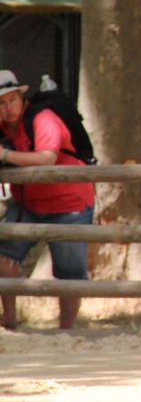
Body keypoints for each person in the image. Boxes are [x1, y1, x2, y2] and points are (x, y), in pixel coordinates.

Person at [0, 70, 94, 330]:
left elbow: (46, 158)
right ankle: (9, 318)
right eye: (1, 102)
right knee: (3, 257)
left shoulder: (44, 118)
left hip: (69, 204)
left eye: (12, 99)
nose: (8, 107)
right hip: (27, 204)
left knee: (69, 273)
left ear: (22, 98)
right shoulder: (3, 127)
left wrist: (5, 155)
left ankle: (66, 331)